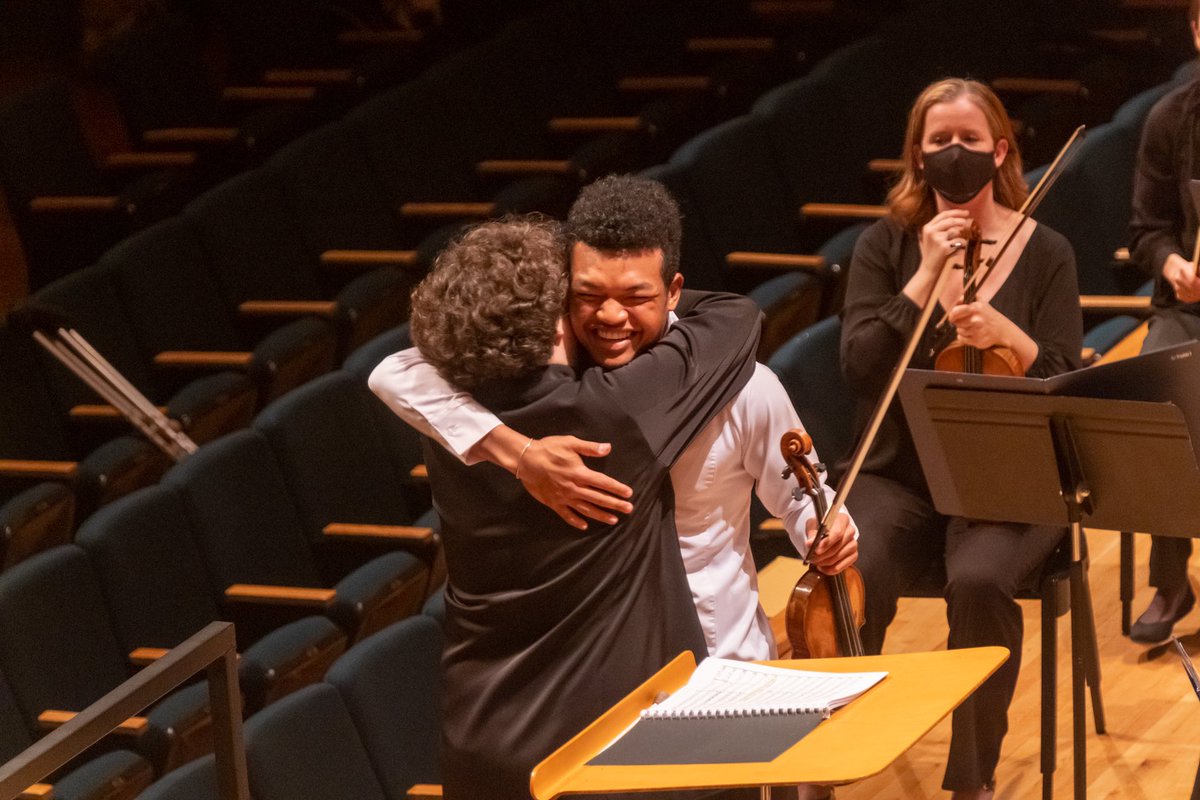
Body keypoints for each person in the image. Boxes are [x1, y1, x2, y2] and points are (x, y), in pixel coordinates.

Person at [373, 175, 858, 670]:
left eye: (634, 298)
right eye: (588, 294)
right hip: (596, 665)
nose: (609, 316)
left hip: (721, 652)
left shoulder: (745, 386)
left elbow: (803, 493)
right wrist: (519, 452)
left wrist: (828, 529)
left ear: (673, 292)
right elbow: (394, 370)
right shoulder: (544, 371)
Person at [371, 215, 764, 800]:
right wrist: (633, 294)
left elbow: (394, 369)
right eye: (582, 299)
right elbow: (737, 316)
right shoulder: (617, 412)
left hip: (485, 748)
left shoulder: (450, 425)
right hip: (615, 751)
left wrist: (516, 450)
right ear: (562, 320)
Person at [839, 78, 1082, 799]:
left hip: (1009, 474)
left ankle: (970, 779)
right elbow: (856, 368)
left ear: (999, 149)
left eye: (969, 140)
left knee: (977, 581)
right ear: (917, 155)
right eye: (938, 142)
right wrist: (922, 279)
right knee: (857, 566)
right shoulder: (884, 246)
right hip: (898, 472)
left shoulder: (1047, 250)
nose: (954, 154)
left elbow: (1068, 376)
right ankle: (834, 754)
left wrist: (1012, 336)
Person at [1126, 0, 1200, 644]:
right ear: (1197, 32)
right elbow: (1145, 232)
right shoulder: (1170, 119)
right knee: (1155, 394)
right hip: (1189, 308)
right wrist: (1174, 264)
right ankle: (1172, 576)